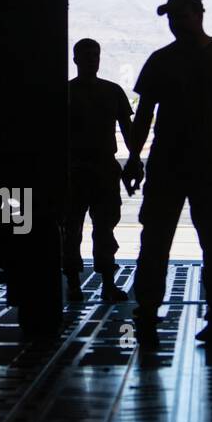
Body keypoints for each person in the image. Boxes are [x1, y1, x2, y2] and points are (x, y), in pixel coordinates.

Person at [123, 0, 212, 346]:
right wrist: (134, 156)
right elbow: (144, 115)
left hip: (190, 164)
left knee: (196, 244)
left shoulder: (177, 60)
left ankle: (200, 318)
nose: (174, 23)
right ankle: (157, 315)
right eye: (171, 18)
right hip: (194, 164)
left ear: (198, 14)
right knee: (166, 243)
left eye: (179, 16)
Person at [63, 38, 133, 303]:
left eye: (95, 54)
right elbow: (128, 131)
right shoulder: (111, 91)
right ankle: (94, 283)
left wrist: (135, 158)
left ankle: (81, 283)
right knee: (78, 229)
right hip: (86, 170)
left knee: (99, 228)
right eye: (88, 55)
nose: (93, 59)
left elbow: (129, 132)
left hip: (93, 169)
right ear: (77, 59)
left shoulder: (72, 92)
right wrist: (133, 160)